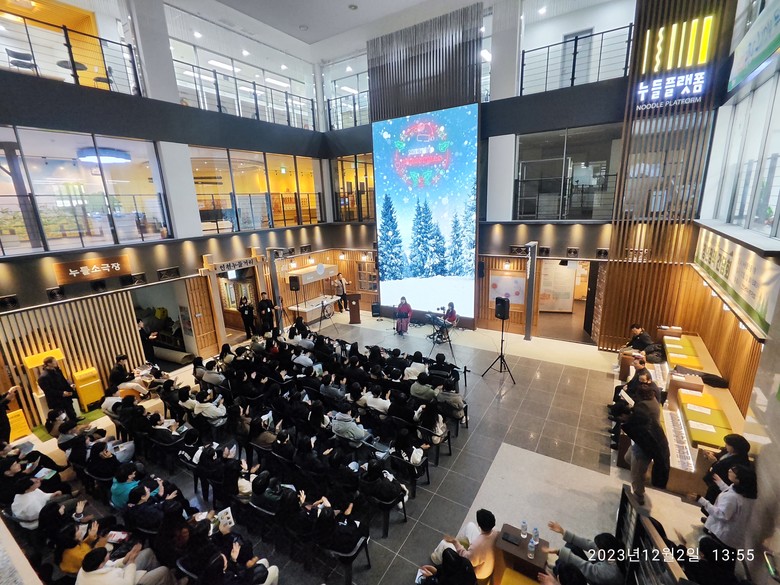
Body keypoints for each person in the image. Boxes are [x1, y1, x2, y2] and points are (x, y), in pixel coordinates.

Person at [698, 465, 757, 556]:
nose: (729, 470)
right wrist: (720, 482)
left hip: (723, 535)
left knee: (710, 551)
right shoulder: (746, 494)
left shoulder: (733, 497)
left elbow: (721, 514)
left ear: (739, 479)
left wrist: (701, 500)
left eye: (734, 471)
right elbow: (729, 491)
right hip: (734, 535)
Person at [541, 521, 624, 585]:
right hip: (594, 571)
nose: (596, 549)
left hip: (591, 578)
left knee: (567, 564)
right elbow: (589, 544)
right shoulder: (611, 554)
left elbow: (585, 566)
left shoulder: (609, 573)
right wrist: (563, 532)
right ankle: (556, 569)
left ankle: (557, 573)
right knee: (571, 546)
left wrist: (559, 552)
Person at [431, 508, 499, 581]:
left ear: (479, 525)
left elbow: (467, 560)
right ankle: (459, 544)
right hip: (486, 562)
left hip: (477, 572)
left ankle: (437, 558)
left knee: (444, 543)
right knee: (470, 525)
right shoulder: (496, 533)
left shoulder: (477, 545)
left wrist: (455, 542)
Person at [76, 544, 173, 585]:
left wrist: (127, 557)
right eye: (107, 555)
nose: (109, 555)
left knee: (148, 552)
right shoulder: (109, 581)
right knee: (164, 570)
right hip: (127, 581)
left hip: (121, 575)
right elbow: (128, 583)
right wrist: (131, 561)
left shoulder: (87, 566)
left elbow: (111, 565)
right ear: (100, 564)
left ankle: (158, 580)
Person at [701, 434, 751, 504]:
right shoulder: (727, 451)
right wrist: (711, 455)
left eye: (727, 444)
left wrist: (715, 462)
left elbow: (722, 472)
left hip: (720, 489)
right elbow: (721, 457)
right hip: (714, 485)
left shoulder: (740, 462)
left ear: (734, 447)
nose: (725, 446)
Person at [38, 356, 79, 422]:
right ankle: (67, 425)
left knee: (70, 409)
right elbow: (48, 390)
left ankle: (74, 420)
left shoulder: (57, 370)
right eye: (54, 361)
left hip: (65, 395)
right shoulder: (43, 377)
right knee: (61, 415)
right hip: (56, 398)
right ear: (49, 364)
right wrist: (61, 393)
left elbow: (64, 380)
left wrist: (70, 384)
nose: (56, 362)